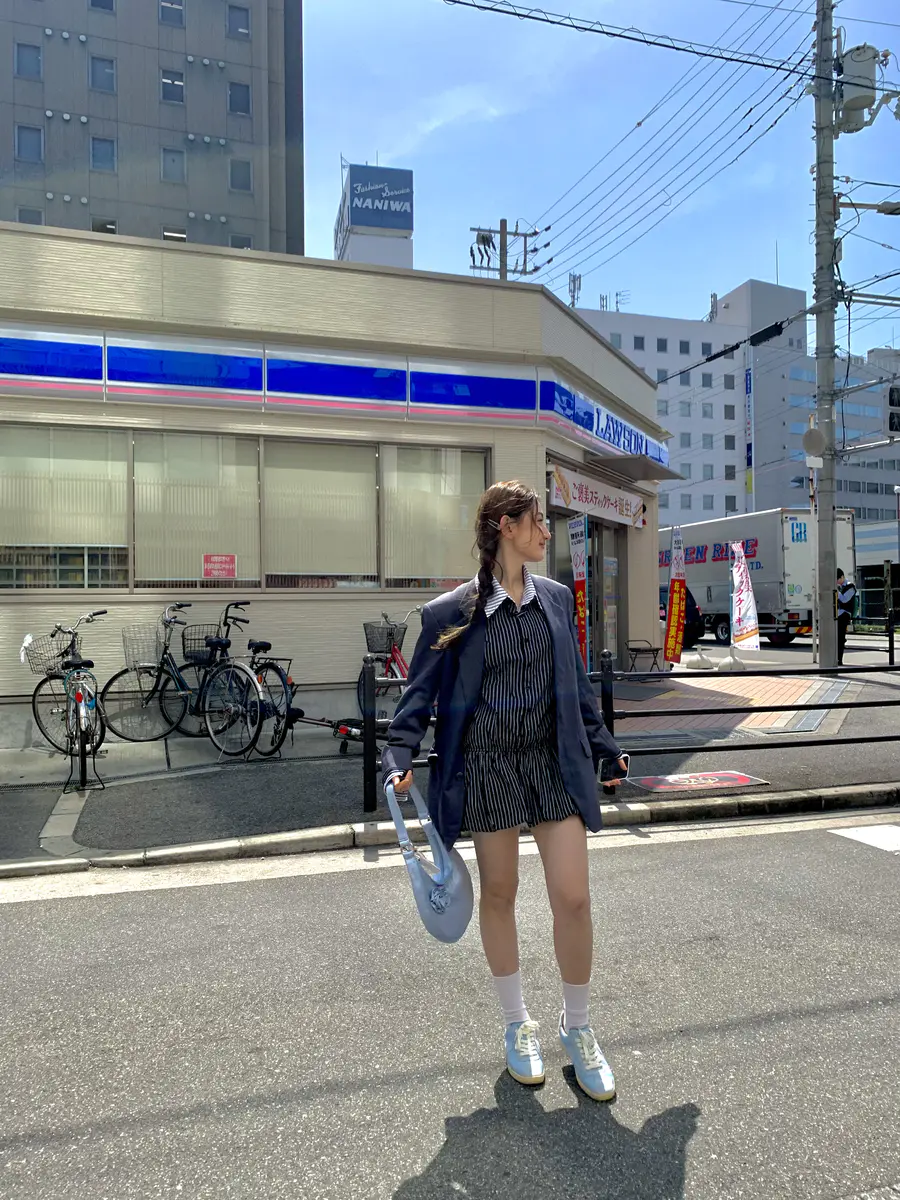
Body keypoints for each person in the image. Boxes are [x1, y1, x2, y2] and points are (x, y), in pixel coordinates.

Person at [382, 480, 628, 1103]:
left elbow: (575, 684)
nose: (545, 532)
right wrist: (399, 757)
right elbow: (418, 696)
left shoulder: (556, 600)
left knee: (573, 897)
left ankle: (578, 1027)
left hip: (551, 763)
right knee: (499, 893)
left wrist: (604, 746)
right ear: (506, 528)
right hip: (487, 766)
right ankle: (517, 1024)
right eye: (536, 522)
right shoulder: (451, 612)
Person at [836, 569, 857, 666]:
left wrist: (836, 592)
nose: (837, 582)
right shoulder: (840, 586)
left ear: (842, 577)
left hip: (845, 614)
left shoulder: (850, 587)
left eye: (837, 580)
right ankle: (835, 658)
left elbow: (845, 599)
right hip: (837, 613)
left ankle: (839, 659)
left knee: (840, 637)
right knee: (836, 637)